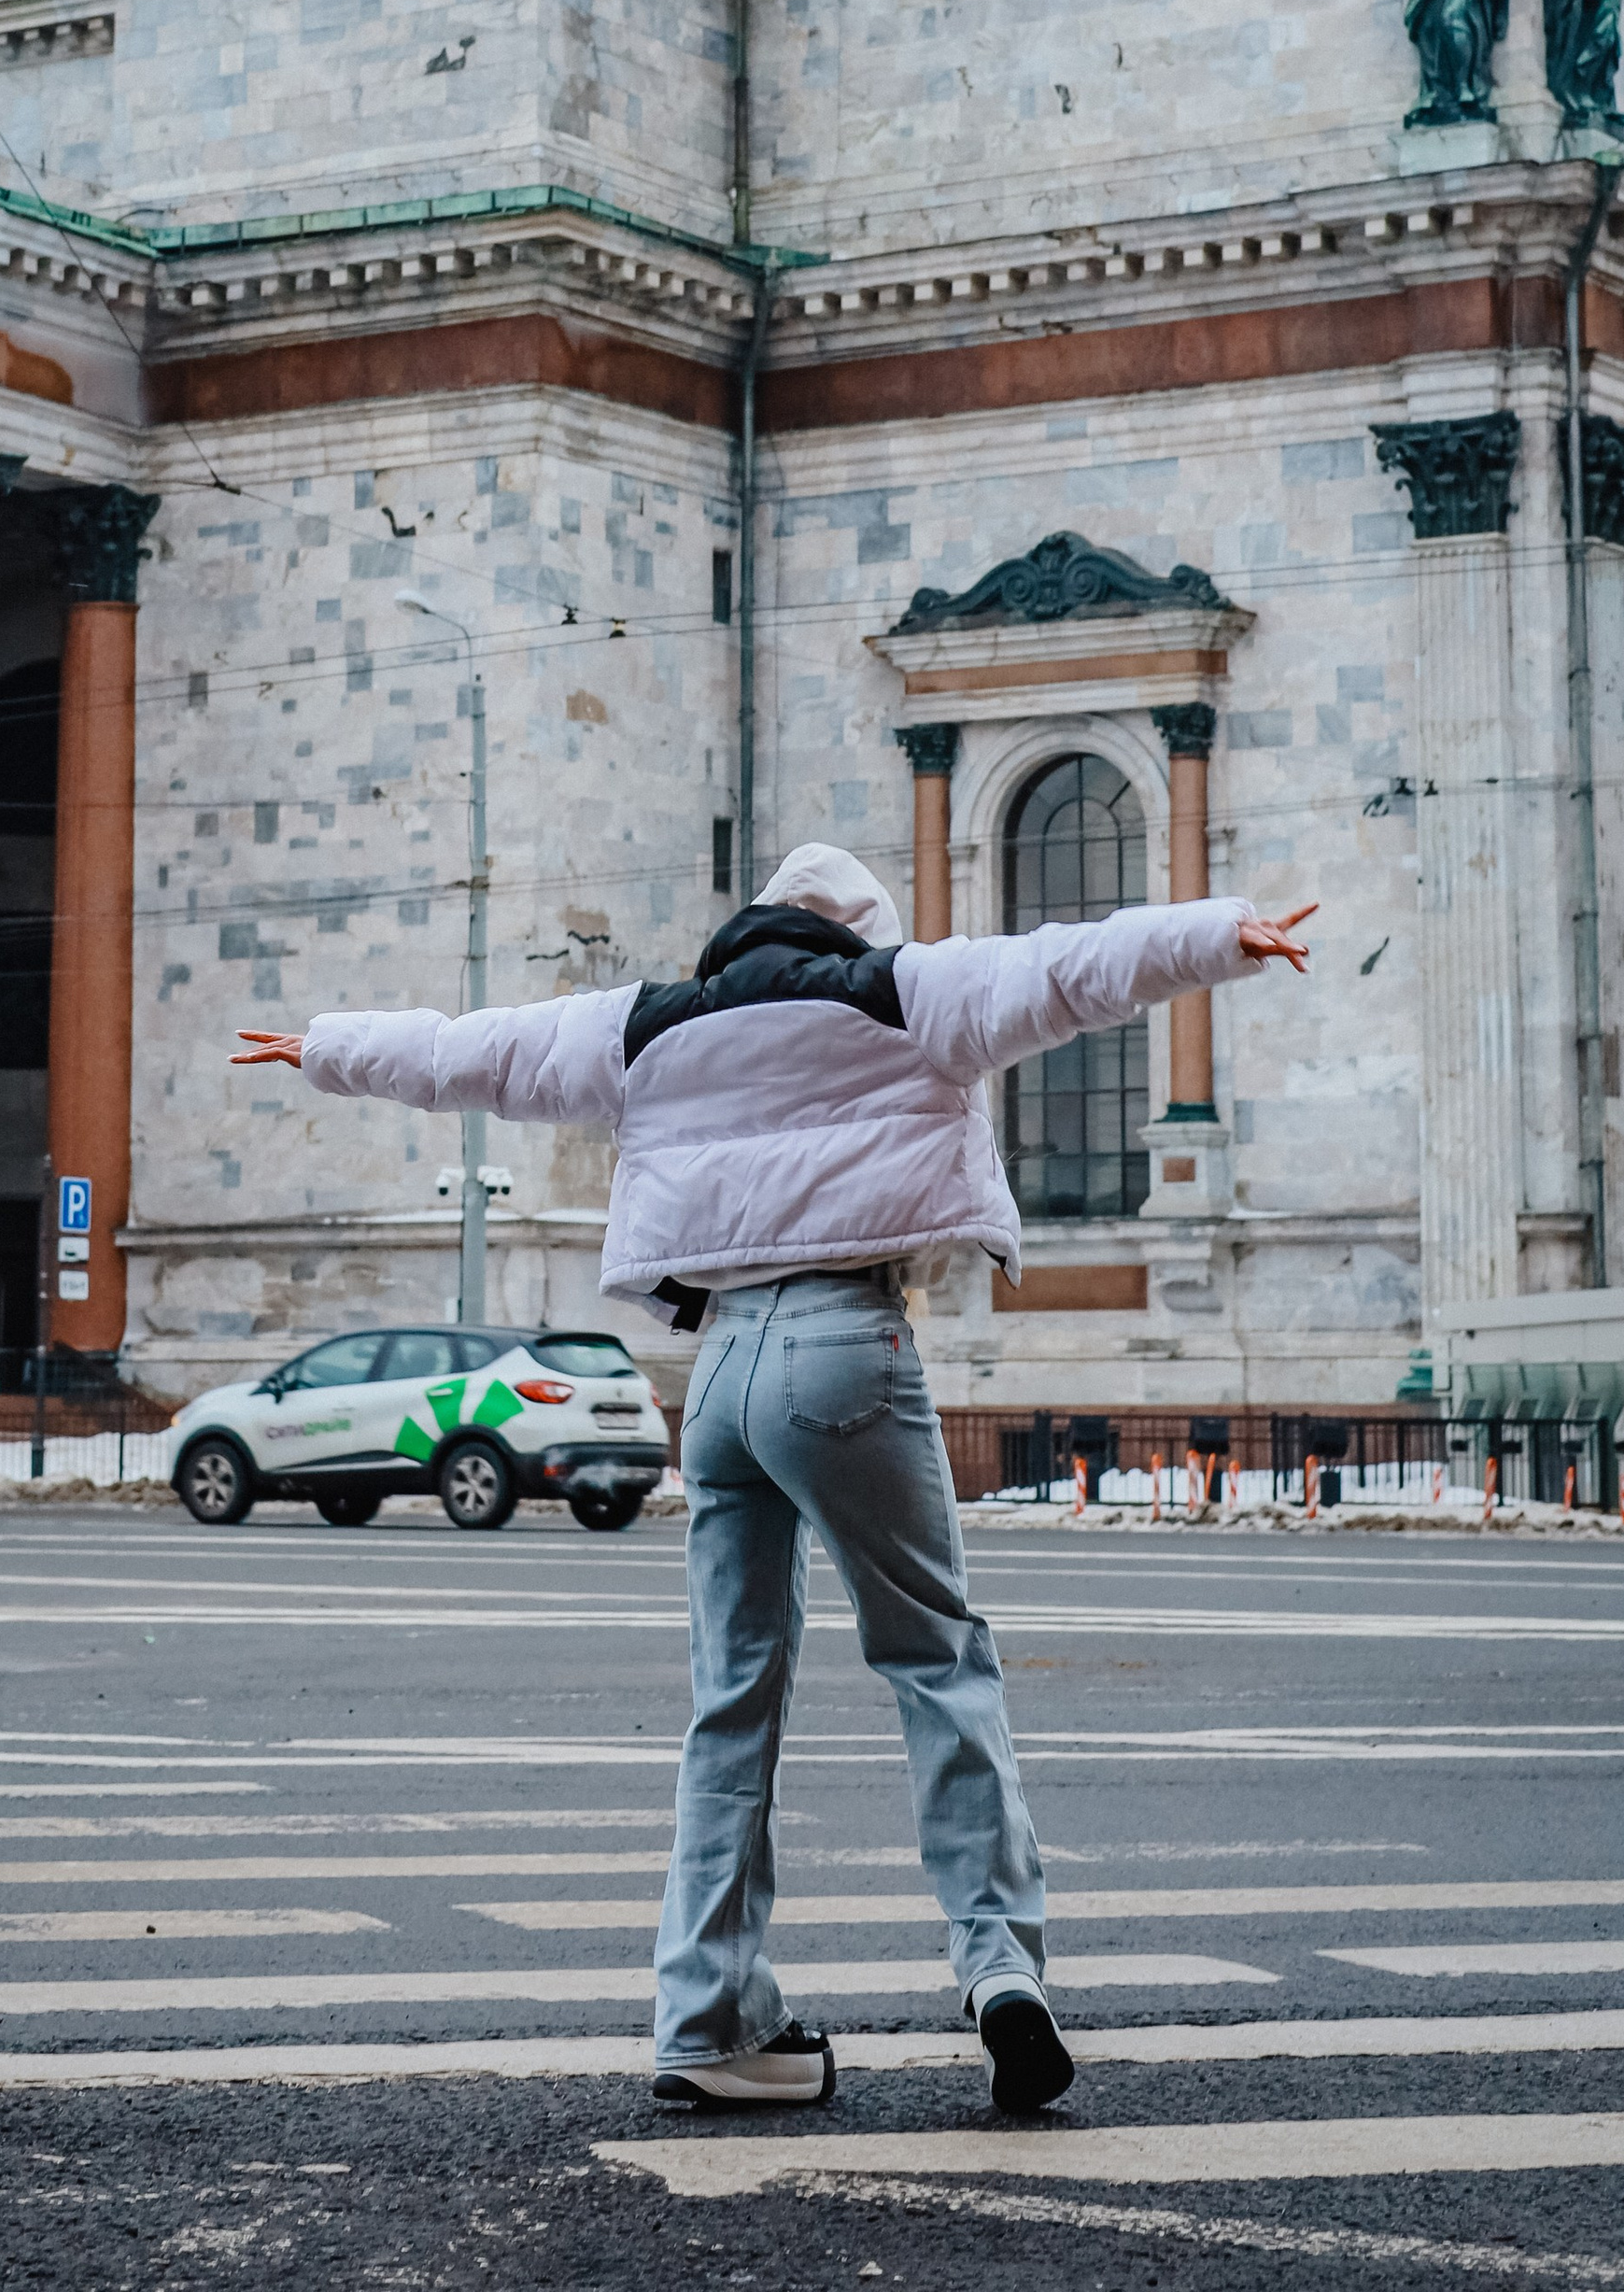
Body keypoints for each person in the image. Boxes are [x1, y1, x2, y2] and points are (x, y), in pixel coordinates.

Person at [236, 836, 1313, 2118]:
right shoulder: (900, 990)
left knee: (730, 1698)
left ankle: (707, 2017)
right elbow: (1067, 970)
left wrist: (324, 1045)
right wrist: (1221, 933)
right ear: (853, 929)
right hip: (845, 1351)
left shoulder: (649, 1023)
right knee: (934, 1659)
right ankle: (999, 1966)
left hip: (720, 1376)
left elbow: (480, 1053)